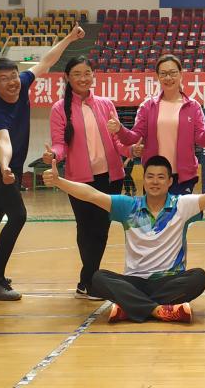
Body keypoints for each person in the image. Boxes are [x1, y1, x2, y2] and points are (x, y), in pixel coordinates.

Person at [43, 155, 205, 324]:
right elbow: (91, 195)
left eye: (161, 177)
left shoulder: (182, 205)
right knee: (98, 278)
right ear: (144, 180)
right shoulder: (128, 206)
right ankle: (159, 310)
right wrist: (59, 181)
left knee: (198, 277)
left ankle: (130, 306)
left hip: (169, 280)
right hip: (134, 280)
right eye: (150, 176)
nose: (155, 181)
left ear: (169, 181)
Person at [0, 25, 85, 301]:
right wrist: (5, 168)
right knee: (18, 216)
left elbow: (46, 61)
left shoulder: (22, 83)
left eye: (13, 75)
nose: (12, 82)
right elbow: (3, 141)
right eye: (3, 79)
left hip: (11, 166)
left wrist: (69, 38)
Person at [42, 54, 129, 300]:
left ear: (93, 75)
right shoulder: (59, 109)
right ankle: (90, 281)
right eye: (77, 74)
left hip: (111, 178)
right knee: (86, 228)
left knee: (101, 229)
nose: (83, 78)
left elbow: (117, 140)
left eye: (87, 73)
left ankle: (87, 281)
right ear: (67, 78)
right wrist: (53, 155)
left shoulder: (106, 104)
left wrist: (130, 149)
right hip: (79, 180)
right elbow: (60, 144)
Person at [108, 55, 205, 195]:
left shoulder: (193, 106)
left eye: (173, 73)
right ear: (158, 77)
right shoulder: (147, 106)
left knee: (178, 210)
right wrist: (120, 129)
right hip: (154, 176)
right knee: (154, 210)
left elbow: (201, 140)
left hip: (183, 177)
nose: (168, 78)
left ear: (181, 75)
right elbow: (133, 138)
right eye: (163, 74)